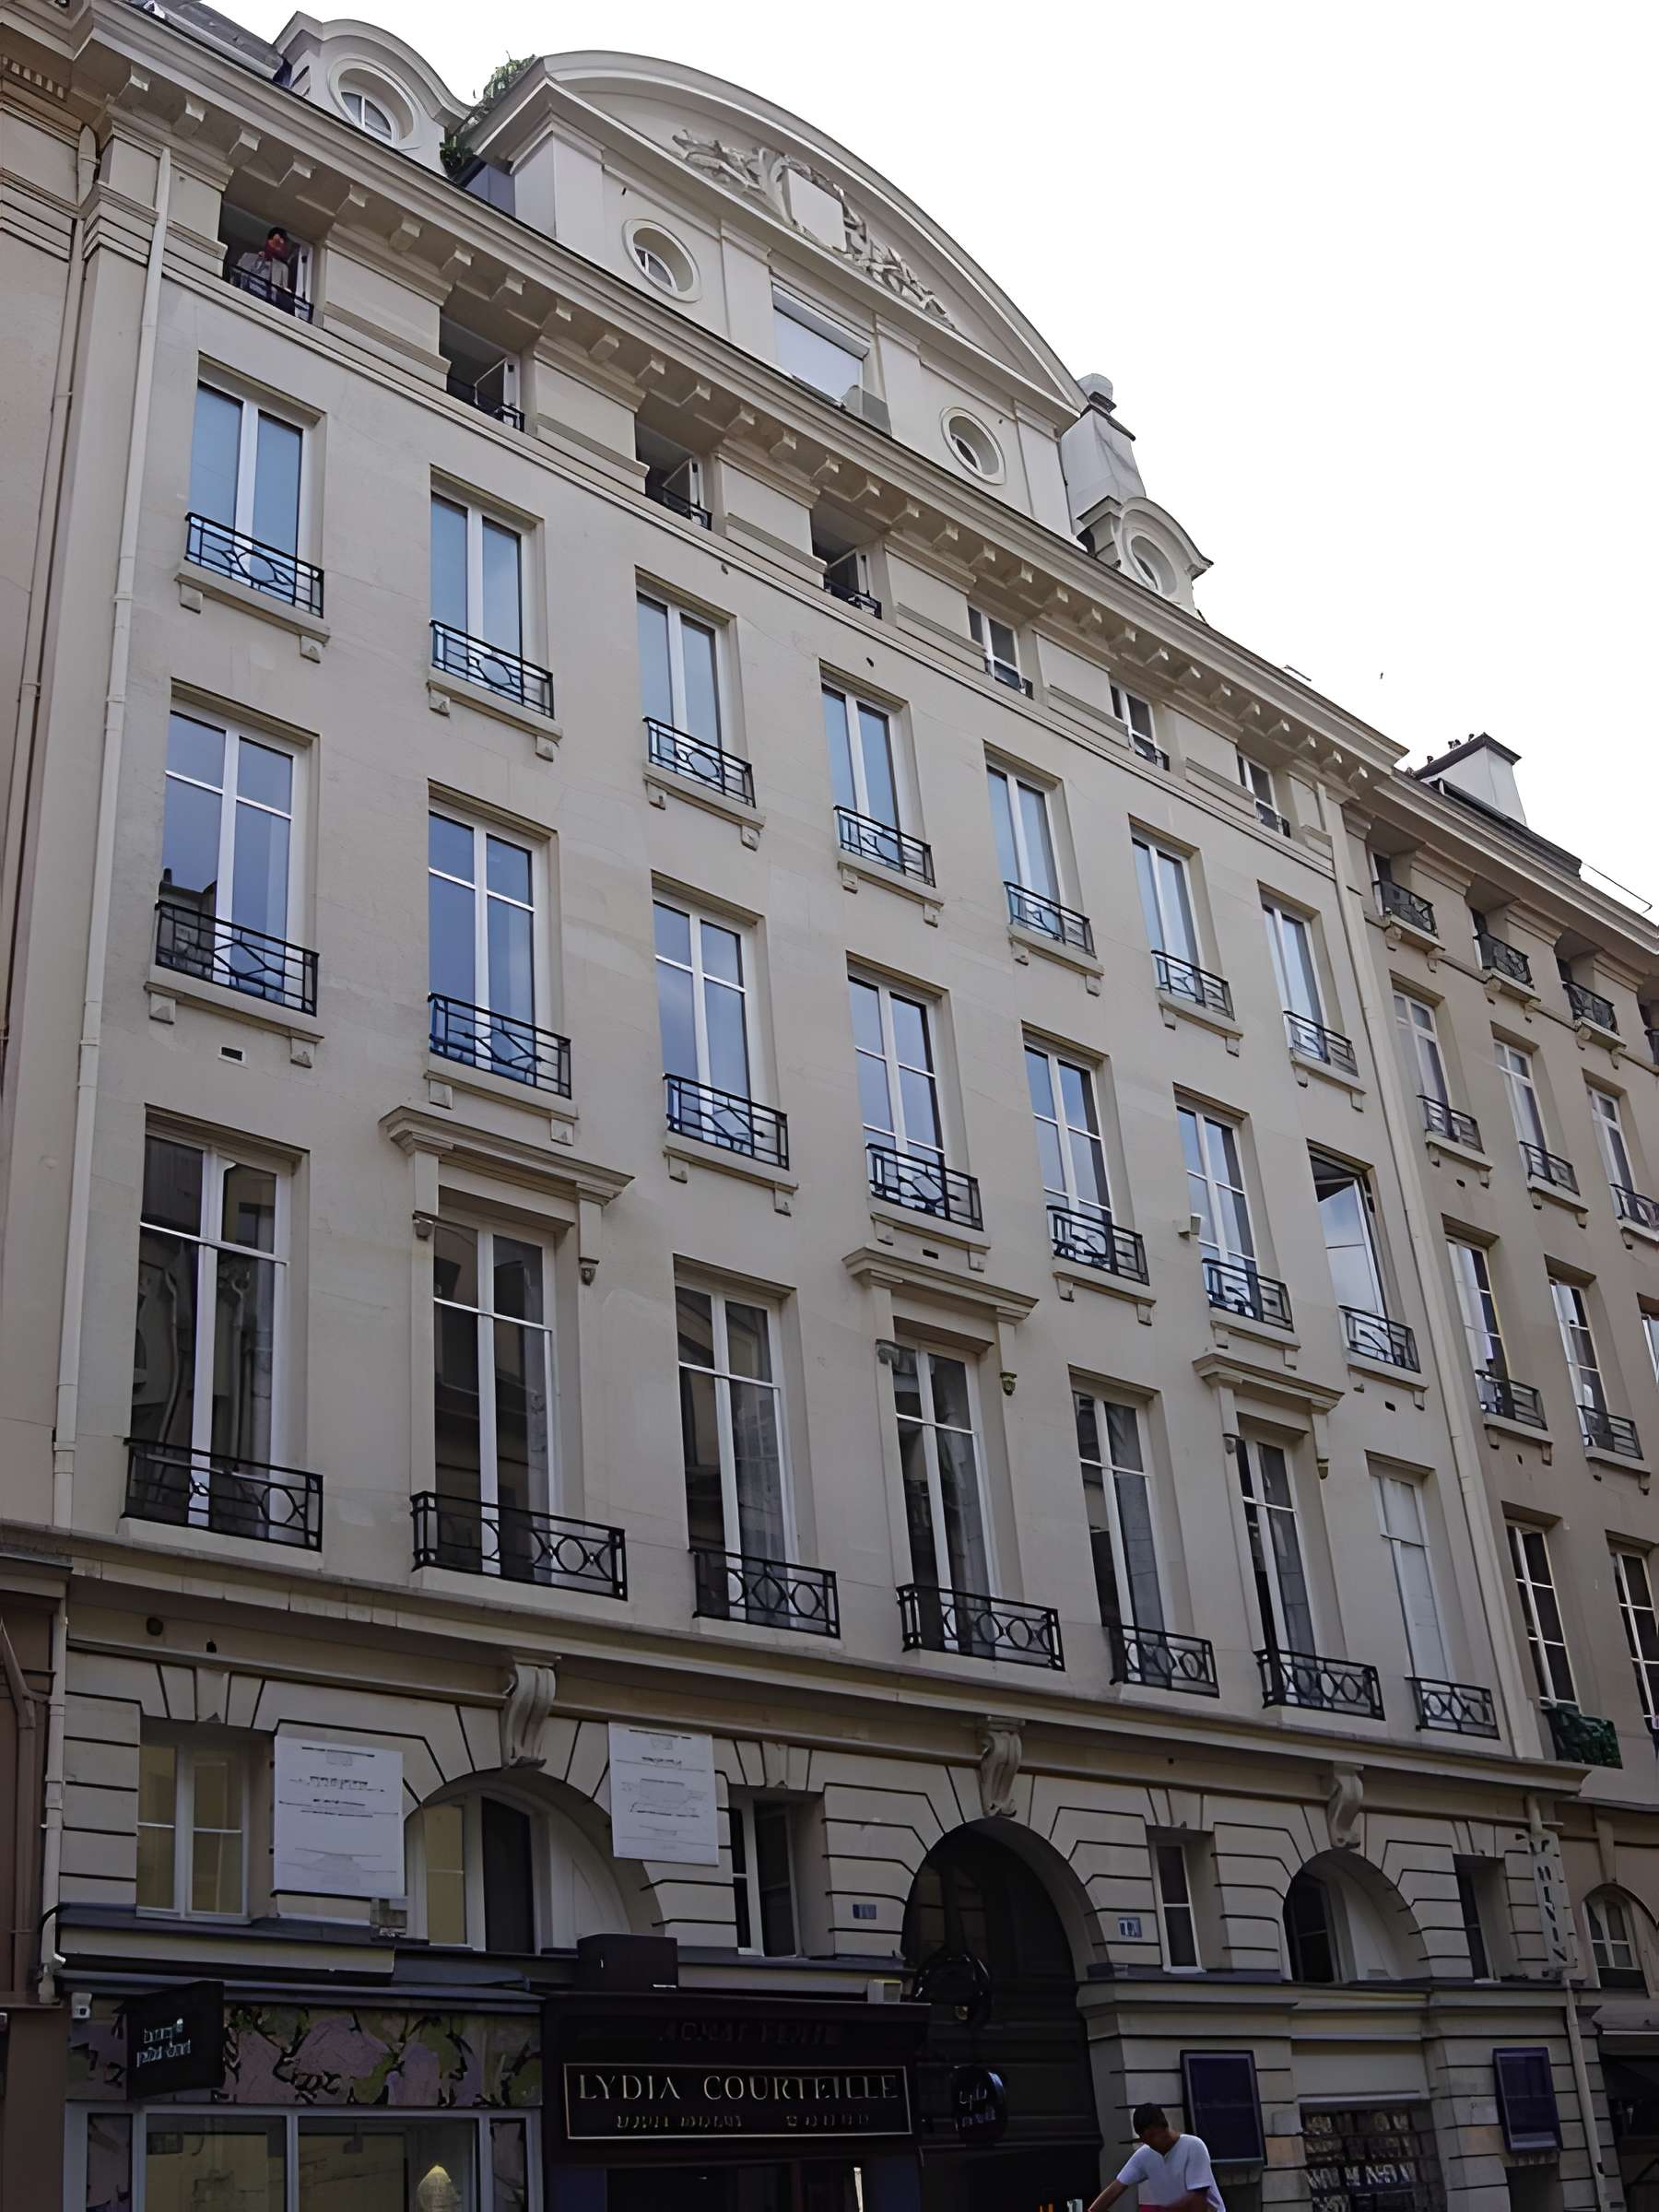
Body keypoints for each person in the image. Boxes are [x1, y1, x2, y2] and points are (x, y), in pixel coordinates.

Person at [1088, 2103, 1226, 2212]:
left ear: (1165, 2128)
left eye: (1155, 2136)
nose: (1154, 2143)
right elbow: (1117, 2187)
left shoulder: (1193, 2146)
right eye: (1147, 2140)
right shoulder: (1145, 2154)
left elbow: (1198, 2200)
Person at [234, 226, 295, 309]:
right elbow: (235, 276)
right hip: (241, 300)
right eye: (275, 243)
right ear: (267, 242)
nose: (275, 248)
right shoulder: (248, 256)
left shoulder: (282, 268)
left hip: (265, 307)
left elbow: (282, 296)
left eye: (279, 246)